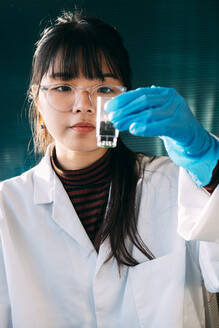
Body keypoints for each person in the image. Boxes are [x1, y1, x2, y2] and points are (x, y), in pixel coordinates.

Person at [0, 9, 219, 328]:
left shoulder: (179, 184)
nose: (83, 104)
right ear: (37, 100)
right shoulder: (7, 206)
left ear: (127, 97)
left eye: (103, 89)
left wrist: (210, 163)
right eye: (63, 87)